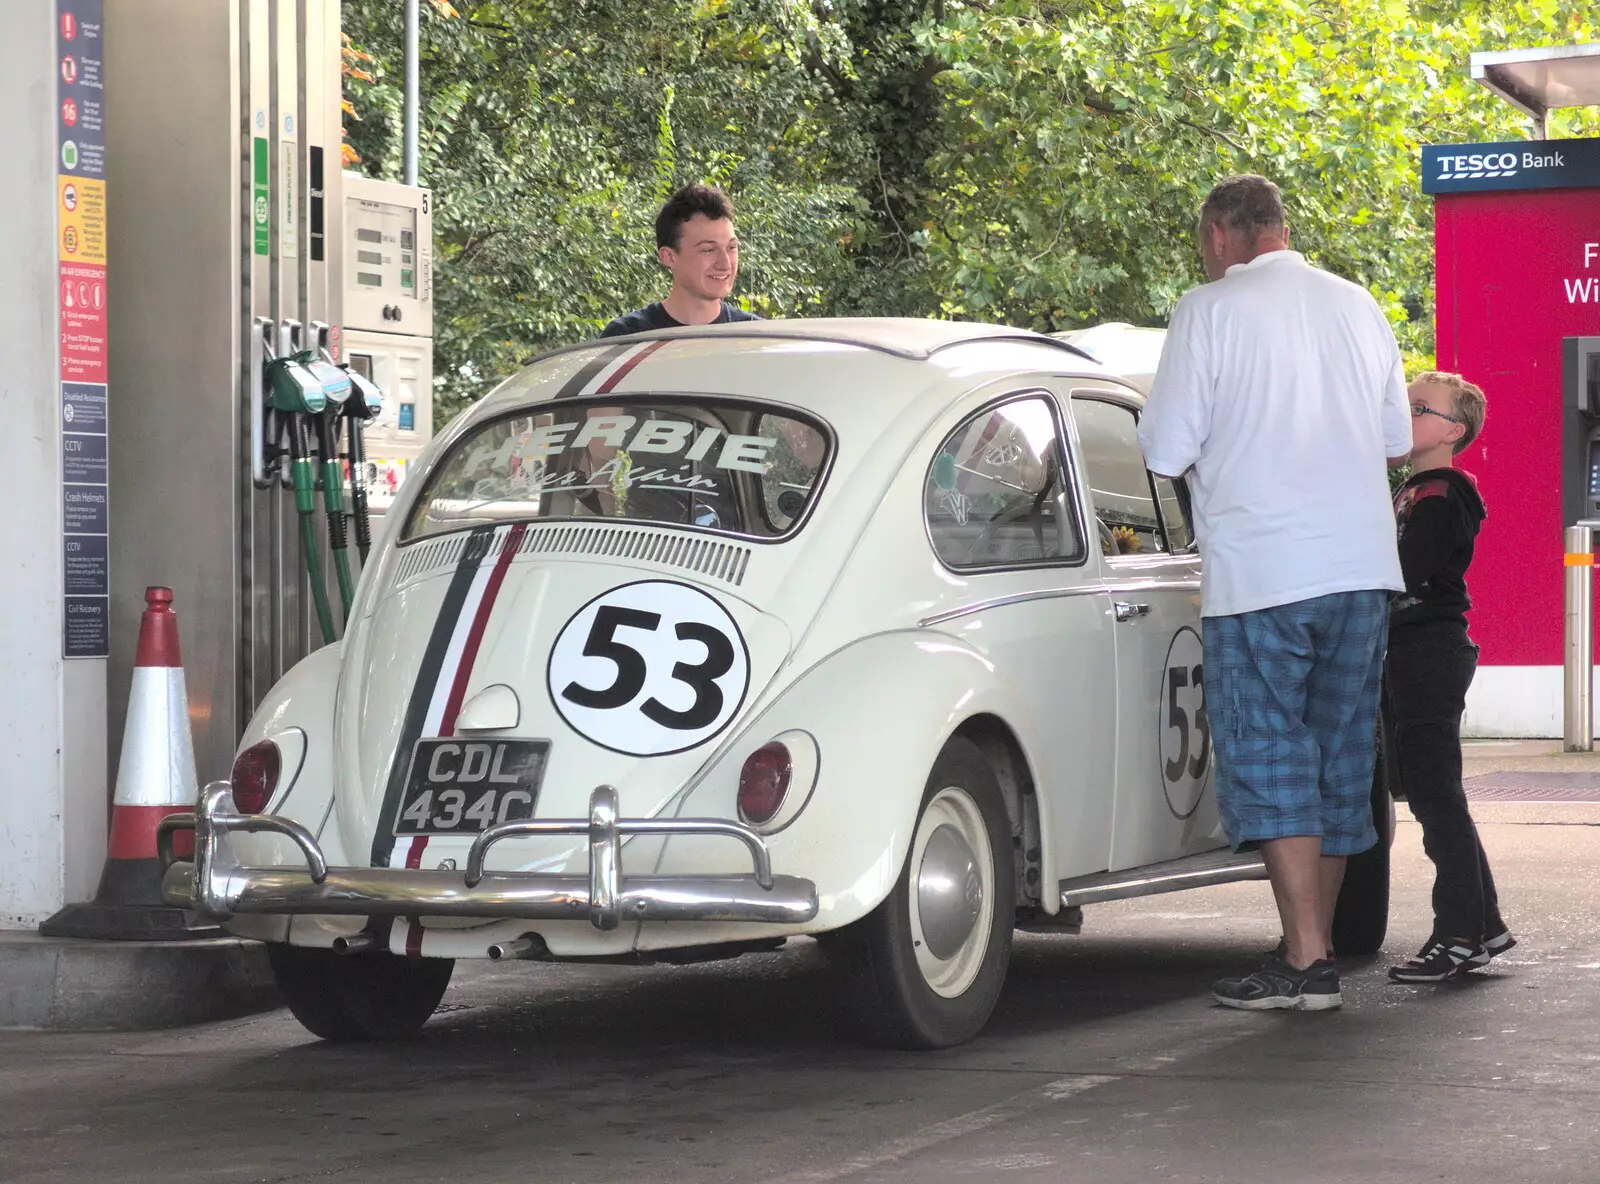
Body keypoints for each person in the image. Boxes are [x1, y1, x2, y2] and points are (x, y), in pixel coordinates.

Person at [1137, 174, 1412, 1012]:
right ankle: (1314, 949)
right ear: (1281, 228)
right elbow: (1398, 438)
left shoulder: (1208, 310)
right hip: (1362, 571)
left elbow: (1163, 447)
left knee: (1270, 757)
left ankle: (1304, 963)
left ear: (1221, 235)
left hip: (1263, 572)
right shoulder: (1358, 304)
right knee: (1337, 757)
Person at [1385, 372, 1515, 983]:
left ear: (1452, 432)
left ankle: (1458, 932)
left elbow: (1408, 567)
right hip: (1419, 651)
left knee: (1436, 797)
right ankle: (1483, 925)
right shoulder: (1417, 487)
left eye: (1419, 408)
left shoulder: (1440, 492)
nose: (1405, 414)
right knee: (1439, 795)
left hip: (1428, 652)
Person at [601, 184, 761, 337]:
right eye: (708, 250)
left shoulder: (756, 335)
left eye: (732, 247)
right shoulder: (628, 336)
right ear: (669, 257)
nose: (725, 264)